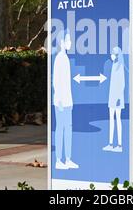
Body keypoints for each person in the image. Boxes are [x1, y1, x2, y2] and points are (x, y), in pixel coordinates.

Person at [53, 29, 79, 170]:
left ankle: (68, 159)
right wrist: (61, 101)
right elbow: (57, 82)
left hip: (67, 101)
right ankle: (58, 160)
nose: (70, 43)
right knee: (61, 129)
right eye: (68, 40)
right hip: (61, 102)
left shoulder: (65, 58)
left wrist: (69, 101)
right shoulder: (59, 59)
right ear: (62, 42)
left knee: (68, 129)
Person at [103, 46, 125, 153]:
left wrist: (118, 98)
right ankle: (111, 143)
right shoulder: (114, 65)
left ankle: (119, 144)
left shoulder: (120, 66)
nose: (112, 55)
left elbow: (122, 84)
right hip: (112, 97)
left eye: (114, 53)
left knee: (117, 120)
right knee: (112, 119)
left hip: (117, 98)